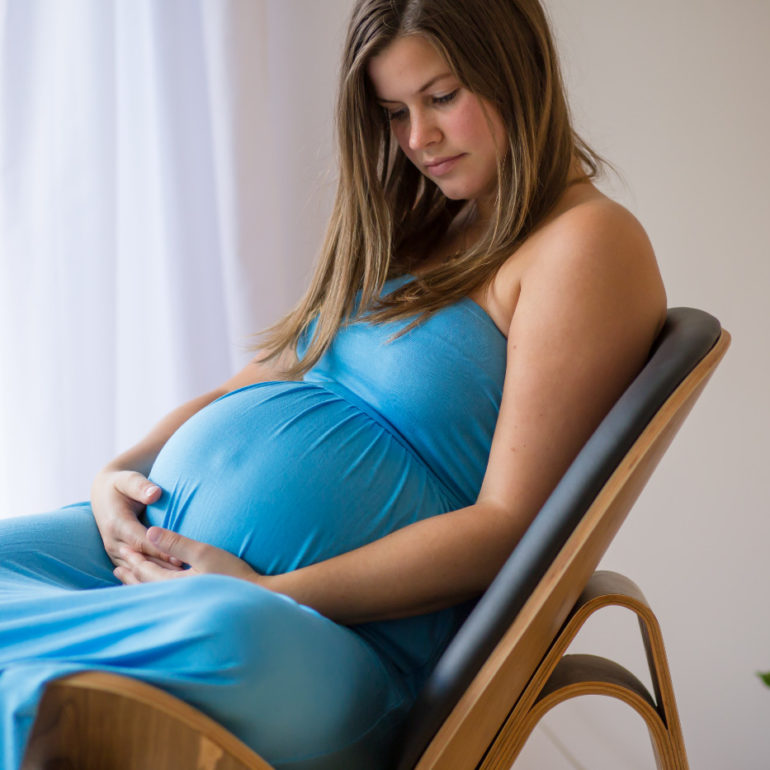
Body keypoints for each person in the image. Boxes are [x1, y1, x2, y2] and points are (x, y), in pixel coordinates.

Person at [0, 0, 666, 768]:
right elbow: (248, 384)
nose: (419, 140)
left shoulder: (585, 243)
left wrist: (269, 594)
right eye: (394, 112)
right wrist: (115, 476)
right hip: (159, 568)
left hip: (323, 639)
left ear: (520, 73)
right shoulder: (420, 228)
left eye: (443, 97)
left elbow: (508, 527)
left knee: (224, 634)